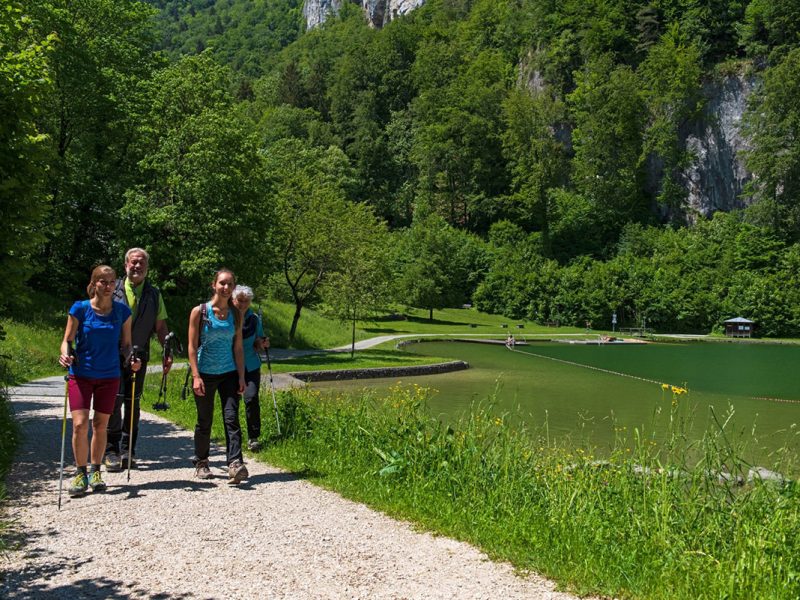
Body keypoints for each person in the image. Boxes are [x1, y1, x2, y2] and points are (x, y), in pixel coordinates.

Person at [59, 265, 141, 497]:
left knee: (100, 425)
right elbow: (67, 340)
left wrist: (131, 359)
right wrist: (65, 353)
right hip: (81, 374)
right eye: (103, 282)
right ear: (94, 283)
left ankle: (96, 471)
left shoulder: (122, 312)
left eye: (112, 281)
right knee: (79, 424)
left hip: (109, 375)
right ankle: (80, 472)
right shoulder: (80, 309)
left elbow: (126, 345)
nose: (108, 286)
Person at [104, 248, 172, 472]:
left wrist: (166, 351)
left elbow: (160, 327)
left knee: (132, 402)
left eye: (141, 263)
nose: (137, 267)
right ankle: (111, 450)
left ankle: (128, 451)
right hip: (112, 353)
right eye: (133, 263)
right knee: (113, 400)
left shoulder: (154, 294)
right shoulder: (112, 290)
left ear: (147, 268)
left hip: (139, 353)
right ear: (125, 265)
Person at [188, 268, 248, 484]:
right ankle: (202, 462)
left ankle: (235, 464)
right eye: (222, 283)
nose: (226, 288)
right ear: (214, 285)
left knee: (231, 418)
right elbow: (192, 347)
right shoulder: (200, 312)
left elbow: (238, 347)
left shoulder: (236, 314)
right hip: (205, 373)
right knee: (205, 420)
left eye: (230, 284)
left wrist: (241, 377)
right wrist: (196, 376)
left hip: (229, 373)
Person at [232, 285, 269, 452]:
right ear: (233, 300)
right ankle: (233, 438)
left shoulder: (254, 319)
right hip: (230, 366)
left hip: (251, 365)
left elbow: (258, 341)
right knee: (231, 403)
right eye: (240, 301)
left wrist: (262, 343)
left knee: (251, 398)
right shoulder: (227, 317)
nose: (243, 304)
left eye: (246, 301)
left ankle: (253, 437)